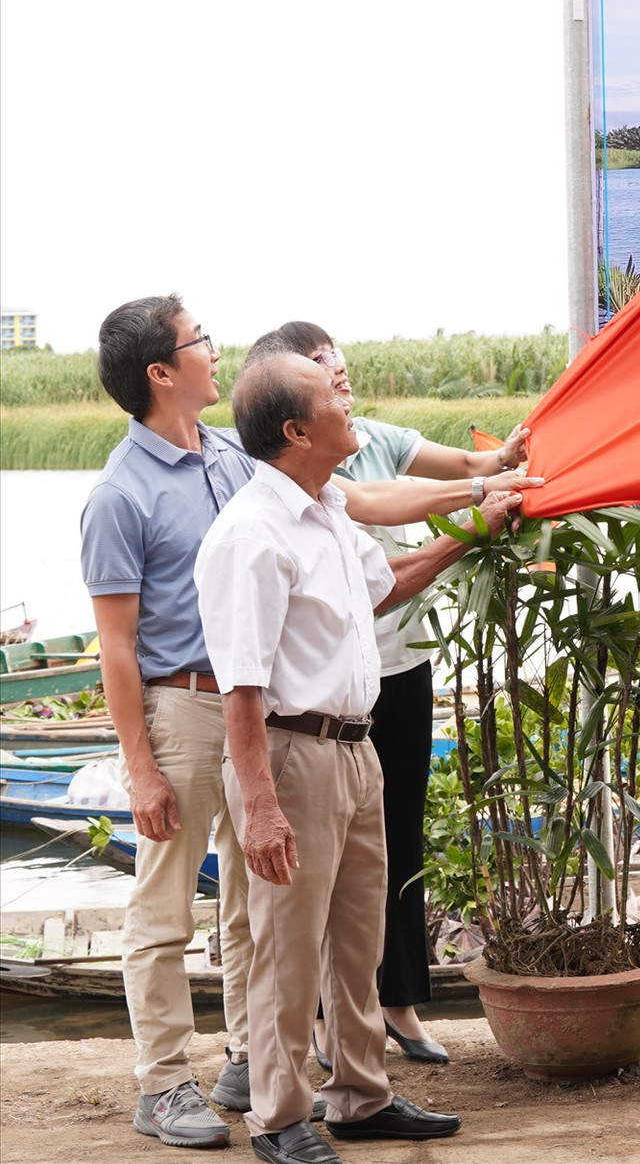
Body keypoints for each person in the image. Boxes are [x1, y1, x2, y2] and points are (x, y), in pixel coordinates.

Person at [79, 295, 535, 1148]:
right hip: (213, 710)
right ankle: (218, 1095)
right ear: (160, 370)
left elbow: (380, 571)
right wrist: (156, 770)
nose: (346, 399)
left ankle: (345, 1087)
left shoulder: (260, 473)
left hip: (319, 731)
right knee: (206, 914)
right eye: (198, 339)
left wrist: (475, 515)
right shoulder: (150, 501)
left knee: (322, 929)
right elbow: (143, 652)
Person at [196, 352, 518, 1164]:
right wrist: (260, 804)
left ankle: (360, 1094)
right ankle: (278, 1113)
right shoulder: (251, 533)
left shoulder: (326, 506)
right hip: (289, 752)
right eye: (331, 401)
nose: (350, 407)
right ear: (296, 430)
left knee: (356, 936)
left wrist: (470, 534)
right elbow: (240, 687)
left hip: (351, 746)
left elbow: (384, 584)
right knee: (287, 943)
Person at [248, 322, 528, 1065]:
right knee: (300, 908)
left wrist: (483, 494)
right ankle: (285, 1089)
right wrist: (475, 508)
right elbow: (243, 681)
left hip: (369, 704)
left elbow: (390, 563)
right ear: (294, 422)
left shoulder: (333, 490)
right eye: (325, 383)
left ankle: (368, 1059)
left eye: (341, 374)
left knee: (375, 879)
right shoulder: (276, 513)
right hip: (302, 733)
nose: (345, 393)